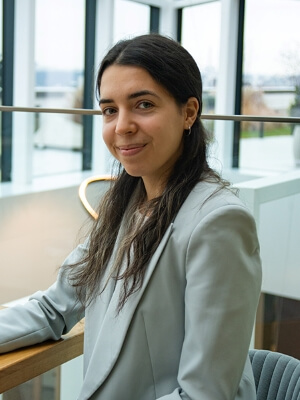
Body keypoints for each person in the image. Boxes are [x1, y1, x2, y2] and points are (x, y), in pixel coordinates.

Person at [0, 34, 262, 400]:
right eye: (110, 110)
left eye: (143, 104)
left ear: (189, 112)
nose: (121, 126)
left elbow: (204, 394)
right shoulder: (127, 203)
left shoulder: (219, 223)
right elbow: (52, 307)